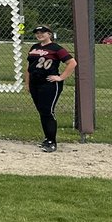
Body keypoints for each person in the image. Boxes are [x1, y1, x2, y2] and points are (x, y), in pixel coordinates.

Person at [25, 25, 77, 153]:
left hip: (49, 83)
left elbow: (72, 63)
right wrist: (27, 83)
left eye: (43, 32)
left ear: (49, 34)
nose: (39, 34)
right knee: (42, 111)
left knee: (48, 111)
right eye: (37, 33)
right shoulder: (34, 47)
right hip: (35, 83)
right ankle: (47, 138)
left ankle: (51, 141)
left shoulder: (56, 48)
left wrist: (61, 77)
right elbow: (29, 67)